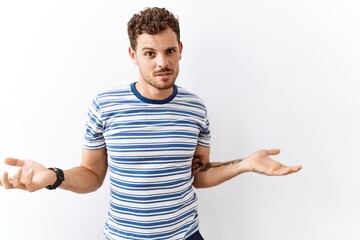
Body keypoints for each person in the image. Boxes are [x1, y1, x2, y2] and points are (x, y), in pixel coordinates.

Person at [0, 7, 302, 240]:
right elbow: (92, 174)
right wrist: (53, 176)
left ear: (180, 50)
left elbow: (198, 174)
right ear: (134, 55)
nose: (162, 62)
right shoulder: (105, 106)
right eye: (150, 53)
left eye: (169, 51)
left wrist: (245, 163)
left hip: (185, 234)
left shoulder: (195, 107)